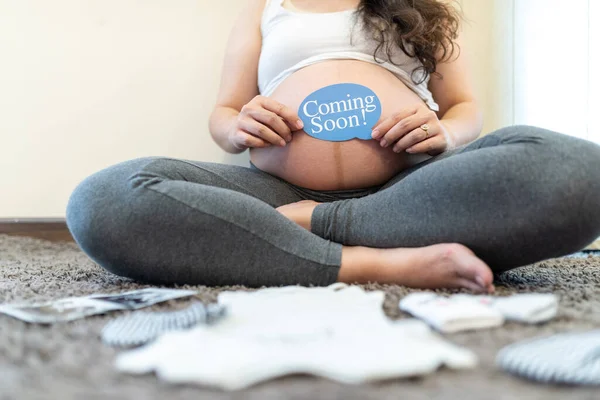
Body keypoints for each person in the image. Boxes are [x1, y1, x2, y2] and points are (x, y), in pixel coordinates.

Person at [66, 0, 600, 293]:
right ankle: (376, 263)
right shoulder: (264, 7)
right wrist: (238, 127)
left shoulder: (424, 6)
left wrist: (447, 132)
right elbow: (225, 112)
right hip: (275, 194)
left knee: (579, 174)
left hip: (412, 188)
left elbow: (464, 108)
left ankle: (318, 227)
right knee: (104, 200)